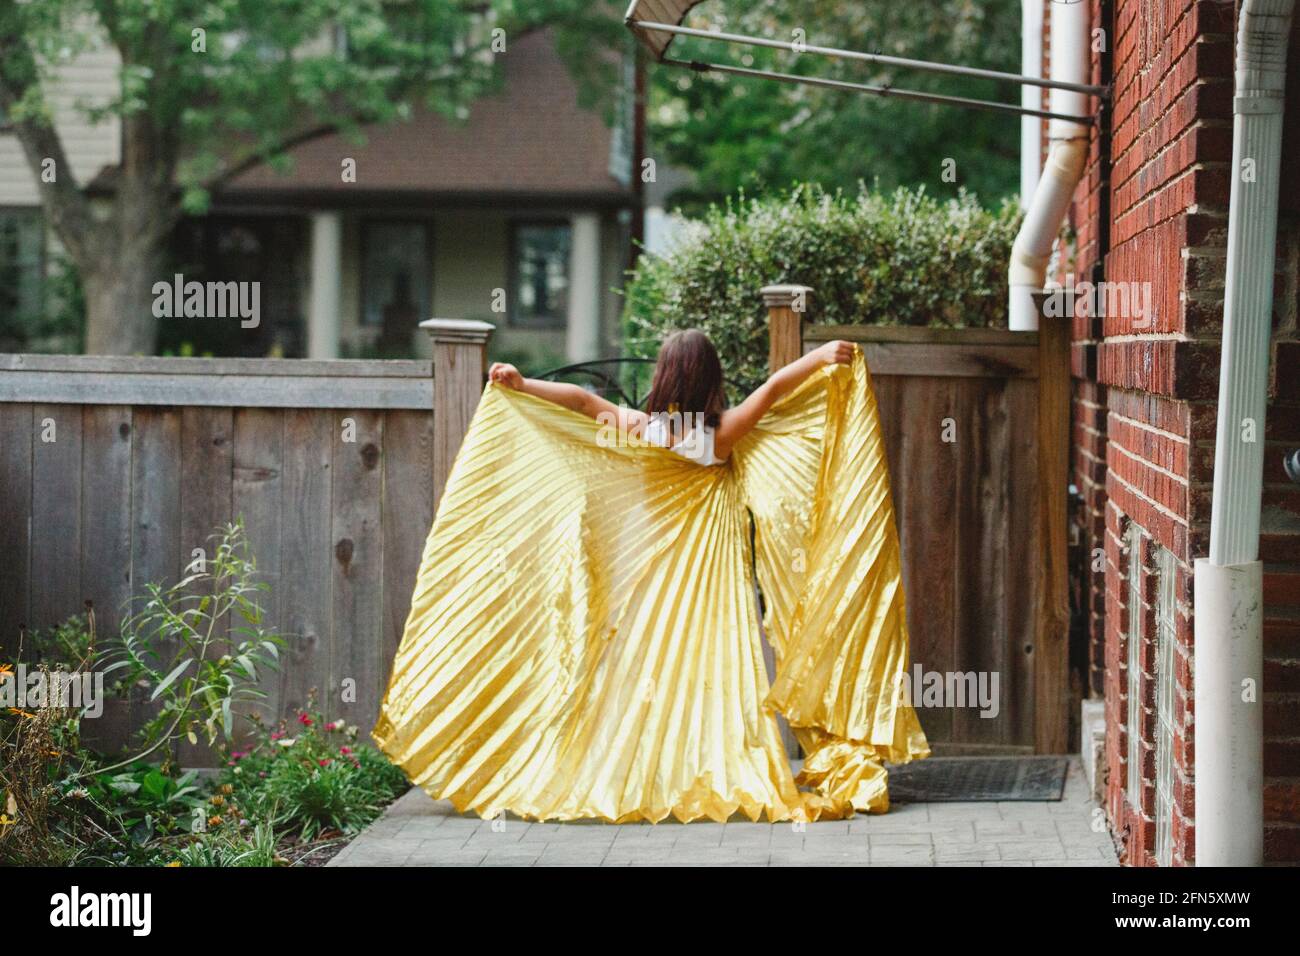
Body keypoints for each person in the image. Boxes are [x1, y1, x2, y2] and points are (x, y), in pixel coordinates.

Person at [374, 327, 928, 824]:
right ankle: (692, 773)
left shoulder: (641, 429)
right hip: (704, 587)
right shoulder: (720, 435)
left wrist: (521, 384)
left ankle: (622, 775)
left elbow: (582, 400)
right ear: (712, 380)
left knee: (626, 681)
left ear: (663, 377)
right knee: (701, 682)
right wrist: (819, 359)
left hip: (636, 576)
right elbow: (777, 389)